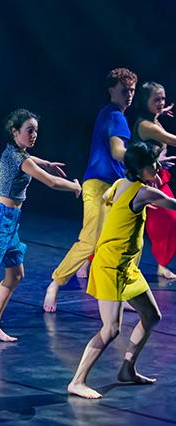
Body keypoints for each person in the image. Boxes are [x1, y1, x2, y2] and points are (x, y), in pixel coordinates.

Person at [0, 109, 81, 352]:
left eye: (36, 131)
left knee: (15, 275)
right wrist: (75, 187)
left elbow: (33, 161)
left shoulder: (17, 153)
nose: (34, 135)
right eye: (29, 130)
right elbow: (50, 181)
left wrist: (47, 163)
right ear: (15, 132)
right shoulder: (17, 157)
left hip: (11, 221)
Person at [67, 141, 172, 399]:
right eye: (153, 164)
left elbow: (106, 199)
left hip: (125, 267)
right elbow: (172, 204)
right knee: (111, 329)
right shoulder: (144, 192)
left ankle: (127, 369)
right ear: (140, 168)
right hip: (111, 266)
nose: (157, 167)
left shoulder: (119, 185)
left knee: (151, 315)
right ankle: (77, 381)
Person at [44, 68, 138, 312]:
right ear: (111, 90)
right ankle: (55, 283)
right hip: (99, 185)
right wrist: (142, 158)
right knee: (91, 240)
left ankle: (119, 291)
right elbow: (118, 152)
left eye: (132, 91)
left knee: (121, 241)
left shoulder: (110, 114)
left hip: (114, 186)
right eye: (124, 90)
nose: (129, 95)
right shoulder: (115, 115)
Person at [128, 82, 176, 280]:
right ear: (144, 102)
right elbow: (171, 139)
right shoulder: (147, 126)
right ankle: (90, 260)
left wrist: (160, 111)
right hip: (145, 181)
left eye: (163, 99)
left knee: (169, 220)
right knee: (131, 227)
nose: (161, 103)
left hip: (157, 178)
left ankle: (161, 264)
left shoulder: (153, 119)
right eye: (156, 99)